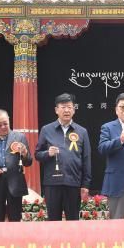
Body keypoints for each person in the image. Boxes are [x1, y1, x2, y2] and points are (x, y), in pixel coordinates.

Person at [35, 93, 91, 221]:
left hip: (73, 183)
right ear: (56, 110)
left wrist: (85, 184)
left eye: (69, 107)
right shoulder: (46, 129)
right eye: (63, 107)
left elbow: (86, 159)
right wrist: (47, 153)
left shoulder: (82, 131)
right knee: (53, 221)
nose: (66, 110)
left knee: (73, 221)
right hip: (52, 183)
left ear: (74, 110)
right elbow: (37, 154)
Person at [0, 109, 32, 222]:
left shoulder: (20, 137)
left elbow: (28, 162)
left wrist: (24, 153)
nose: (3, 127)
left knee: (15, 218)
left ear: (9, 120)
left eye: (5, 123)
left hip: (15, 181)